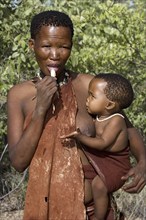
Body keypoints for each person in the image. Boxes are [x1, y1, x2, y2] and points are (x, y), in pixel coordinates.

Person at [7, 10, 146, 220]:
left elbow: (125, 127)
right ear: (31, 45)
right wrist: (40, 110)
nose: (55, 55)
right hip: (46, 211)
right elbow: (18, 162)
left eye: (64, 47)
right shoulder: (19, 95)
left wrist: (144, 163)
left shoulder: (89, 86)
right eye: (46, 46)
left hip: (95, 212)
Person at [61, 73, 134, 220]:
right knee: (95, 186)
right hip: (105, 163)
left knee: (99, 187)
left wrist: (80, 137)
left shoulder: (116, 121)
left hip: (116, 165)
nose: (86, 100)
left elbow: (102, 143)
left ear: (109, 105)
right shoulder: (99, 115)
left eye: (92, 96)